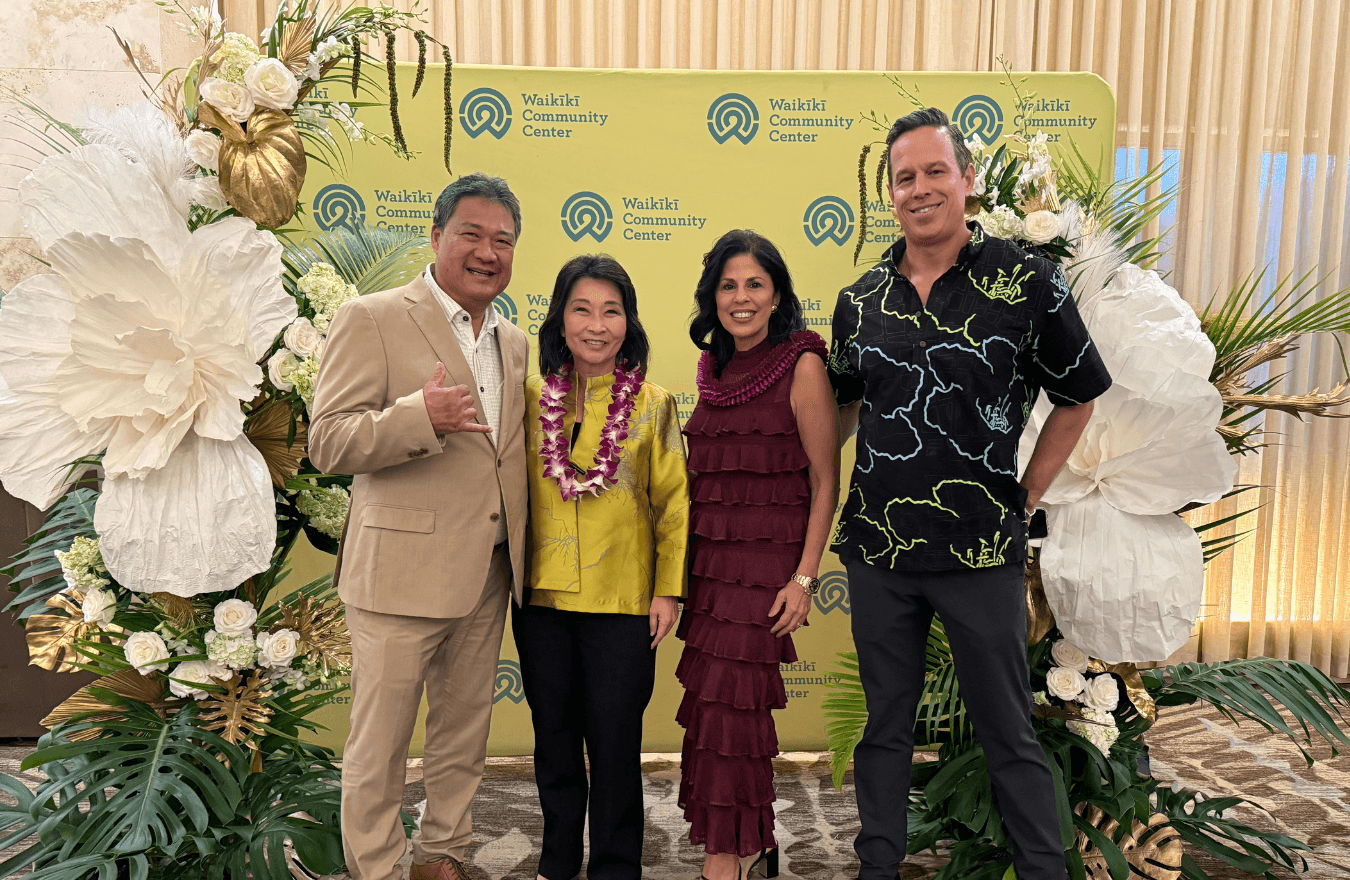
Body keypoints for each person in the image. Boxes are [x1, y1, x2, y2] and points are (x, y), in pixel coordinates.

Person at [829, 108, 1112, 880]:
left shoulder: (1027, 281)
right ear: (890, 192)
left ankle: (1044, 871)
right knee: (884, 728)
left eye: (934, 172)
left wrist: (1028, 493)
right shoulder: (860, 301)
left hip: (982, 548)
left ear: (967, 181)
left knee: (1007, 730)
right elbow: (843, 405)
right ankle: (877, 867)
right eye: (903, 177)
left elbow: (1081, 392)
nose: (919, 189)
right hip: (879, 552)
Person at [308, 173, 529, 880]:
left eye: (503, 240)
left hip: (486, 573)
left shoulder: (515, 341)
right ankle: (376, 869)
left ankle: (442, 856)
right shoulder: (372, 317)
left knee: (463, 738)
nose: (487, 251)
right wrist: (416, 420)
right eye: (471, 233)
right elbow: (329, 442)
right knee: (380, 748)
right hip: (396, 580)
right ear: (435, 237)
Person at [515, 254, 690, 880]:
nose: (596, 324)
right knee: (554, 741)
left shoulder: (654, 404)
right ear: (560, 321)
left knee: (615, 747)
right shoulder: (529, 397)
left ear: (629, 322)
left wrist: (668, 592)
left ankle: (617, 868)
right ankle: (557, 862)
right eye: (581, 309)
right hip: (542, 604)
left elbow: (674, 506)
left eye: (610, 311)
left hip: (624, 604)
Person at [676, 230, 839, 880]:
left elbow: (825, 480)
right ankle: (756, 843)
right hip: (709, 574)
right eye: (728, 285)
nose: (740, 297)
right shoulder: (710, 373)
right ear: (712, 296)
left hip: (767, 574)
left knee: (733, 716)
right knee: (714, 725)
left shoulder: (801, 365)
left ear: (776, 296)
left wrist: (805, 578)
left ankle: (729, 858)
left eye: (754, 284)